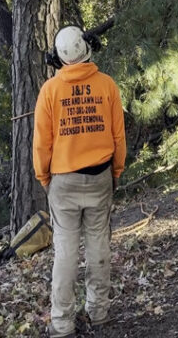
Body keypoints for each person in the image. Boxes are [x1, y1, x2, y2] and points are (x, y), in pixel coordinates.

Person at [33, 25, 127, 338]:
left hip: (63, 182)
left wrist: (44, 178)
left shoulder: (50, 90)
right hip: (100, 177)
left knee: (66, 253)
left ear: (58, 57)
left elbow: (42, 145)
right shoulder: (107, 85)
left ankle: (61, 324)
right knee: (99, 244)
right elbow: (118, 137)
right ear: (87, 49)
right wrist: (116, 172)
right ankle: (98, 314)